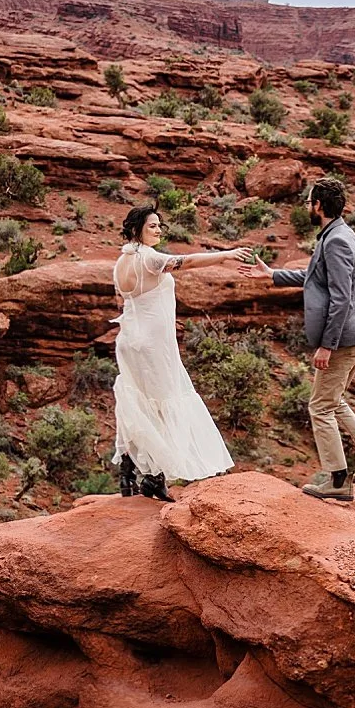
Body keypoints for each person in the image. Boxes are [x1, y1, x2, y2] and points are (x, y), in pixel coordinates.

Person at [240, 177, 355, 501]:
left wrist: (326, 345)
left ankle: (337, 479)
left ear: (318, 206)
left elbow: (341, 298)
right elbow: (316, 277)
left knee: (320, 406)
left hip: (344, 337)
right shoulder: (340, 233)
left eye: (309, 202)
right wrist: (273, 275)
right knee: (333, 399)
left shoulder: (335, 240)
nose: (308, 207)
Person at [110, 205, 251, 502]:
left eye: (160, 226)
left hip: (129, 341)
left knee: (136, 401)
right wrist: (224, 255)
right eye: (152, 226)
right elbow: (189, 261)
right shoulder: (149, 258)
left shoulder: (122, 260)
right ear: (137, 229)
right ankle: (153, 476)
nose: (159, 230)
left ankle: (130, 467)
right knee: (163, 402)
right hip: (153, 344)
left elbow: (127, 299)